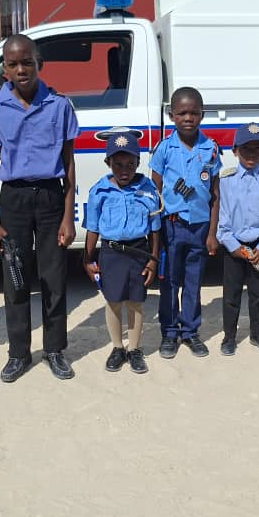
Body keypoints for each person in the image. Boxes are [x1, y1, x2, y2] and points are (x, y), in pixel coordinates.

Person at [0, 34, 78, 383]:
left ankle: (55, 350)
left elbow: (69, 163)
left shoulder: (60, 105)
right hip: (14, 200)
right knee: (15, 279)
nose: (21, 69)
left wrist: (68, 216)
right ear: (4, 68)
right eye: (13, 64)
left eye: (27, 62)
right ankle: (18, 353)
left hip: (50, 198)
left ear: (39, 64)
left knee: (54, 278)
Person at [149, 87, 222, 358]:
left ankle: (190, 331)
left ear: (202, 114)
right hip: (171, 226)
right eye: (182, 113)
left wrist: (212, 233)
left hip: (199, 227)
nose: (188, 118)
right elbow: (155, 190)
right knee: (169, 280)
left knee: (193, 281)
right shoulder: (164, 148)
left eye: (194, 113)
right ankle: (169, 332)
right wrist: (155, 231)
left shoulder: (211, 149)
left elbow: (215, 194)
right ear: (171, 115)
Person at [83, 131, 161, 374]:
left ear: (138, 162)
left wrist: (153, 260)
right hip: (111, 252)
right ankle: (118, 347)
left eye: (130, 164)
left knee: (135, 302)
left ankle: (134, 349)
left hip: (139, 251)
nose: (124, 170)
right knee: (114, 301)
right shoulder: (100, 191)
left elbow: (155, 228)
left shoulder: (148, 189)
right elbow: (92, 228)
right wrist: (87, 259)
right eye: (118, 164)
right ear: (108, 163)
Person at [215, 123, 259, 356]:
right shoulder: (226, 180)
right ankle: (229, 336)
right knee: (231, 295)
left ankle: (257, 333)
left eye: (257, 149)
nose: (251, 154)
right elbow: (222, 217)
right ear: (235, 150)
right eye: (246, 148)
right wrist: (233, 246)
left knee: (258, 294)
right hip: (233, 246)